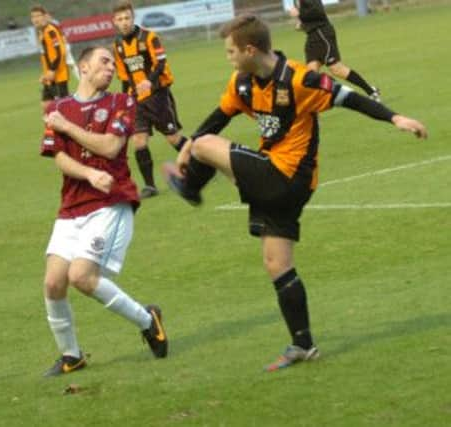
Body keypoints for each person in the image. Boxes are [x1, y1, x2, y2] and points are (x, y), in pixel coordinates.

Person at [163, 15, 427, 371]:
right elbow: (219, 116)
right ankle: (303, 344)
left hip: (286, 176)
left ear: (250, 49)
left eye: (230, 51)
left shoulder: (301, 78)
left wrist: (395, 118)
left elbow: (347, 97)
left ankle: (191, 188)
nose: (227, 57)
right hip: (278, 180)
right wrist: (187, 146)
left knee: (207, 145)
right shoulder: (242, 83)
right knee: (277, 264)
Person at [39, 45, 168, 377]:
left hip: (110, 202)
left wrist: (67, 128)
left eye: (113, 63)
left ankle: (147, 320)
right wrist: (88, 174)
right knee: (54, 283)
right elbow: (59, 158)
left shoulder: (121, 101)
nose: (111, 67)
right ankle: (72, 356)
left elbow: (111, 147)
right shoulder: (58, 106)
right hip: (72, 205)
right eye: (104, 62)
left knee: (81, 277)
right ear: (83, 67)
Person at [112, 0, 189, 199]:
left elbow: (161, 63)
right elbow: (123, 76)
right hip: (136, 99)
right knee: (138, 140)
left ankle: (201, 165)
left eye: (127, 17)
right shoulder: (117, 45)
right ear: (114, 22)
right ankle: (150, 186)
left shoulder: (149, 37)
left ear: (133, 17)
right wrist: (123, 101)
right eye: (120, 19)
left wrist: (148, 81)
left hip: (157, 94)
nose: (124, 22)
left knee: (173, 137)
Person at [289, 0, 381, 101]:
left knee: (337, 69)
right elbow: (308, 17)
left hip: (322, 35)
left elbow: (318, 12)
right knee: (311, 74)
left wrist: (300, 14)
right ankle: (310, 108)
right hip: (312, 36)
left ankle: (371, 92)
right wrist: (302, 24)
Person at [30, 5, 70, 111]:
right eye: (33, 17)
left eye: (38, 16)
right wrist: (45, 74)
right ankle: (51, 128)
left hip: (58, 76)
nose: (35, 19)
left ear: (45, 16)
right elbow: (47, 56)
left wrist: (52, 70)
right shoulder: (41, 33)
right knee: (46, 105)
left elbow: (59, 52)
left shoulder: (50, 31)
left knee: (63, 109)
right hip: (49, 77)